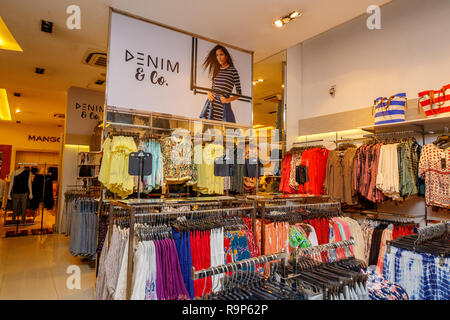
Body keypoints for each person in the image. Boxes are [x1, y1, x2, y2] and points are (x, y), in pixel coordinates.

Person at [199, 45, 242, 123]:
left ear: (226, 56)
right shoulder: (216, 70)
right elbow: (213, 88)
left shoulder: (233, 71)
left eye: (221, 54)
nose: (219, 57)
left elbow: (239, 93)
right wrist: (209, 93)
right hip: (211, 104)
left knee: (220, 131)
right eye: (217, 55)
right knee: (208, 130)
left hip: (222, 106)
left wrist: (228, 100)